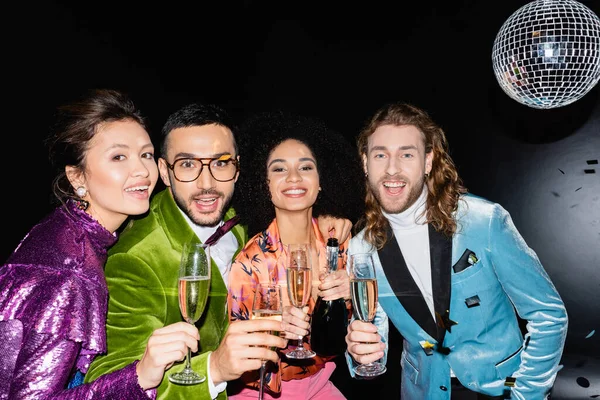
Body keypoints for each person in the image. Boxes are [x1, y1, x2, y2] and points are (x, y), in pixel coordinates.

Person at [85, 103, 353, 399]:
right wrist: (213, 369)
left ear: (238, 169)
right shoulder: (134, 259)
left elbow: (292, 209)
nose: (207, 184)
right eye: (187, 164)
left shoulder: (241, 216)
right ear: (164, 171)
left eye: (220, 163)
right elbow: (108, 381)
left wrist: (329, 219)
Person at [344, 102, 568, 400]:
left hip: (500, 390)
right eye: (380, 154)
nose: (392, 169)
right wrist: (360, 351)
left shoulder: (483, 221)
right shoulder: (361, 246)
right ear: (365, 162)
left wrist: (527, 394)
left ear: (427, 161)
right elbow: (374, 337)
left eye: (406, 154)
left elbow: (548, 314)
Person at [0, 89, 200, 399]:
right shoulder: (69, 273)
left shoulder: (66, 231)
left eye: (146, 154)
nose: (142, 171)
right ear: (77, 177)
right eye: (118, 156)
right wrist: (140, 375)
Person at [227, 111, 365, 399]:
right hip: (262, 391)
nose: (293, 177)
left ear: (320, 181)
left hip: (322, 383)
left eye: (305, 167)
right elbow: (238, 352)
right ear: (264, 184)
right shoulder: (249, 262)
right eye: (279, 169)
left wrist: (351, 294)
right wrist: (277, 330)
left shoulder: (340, 246)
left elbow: (361, 324)